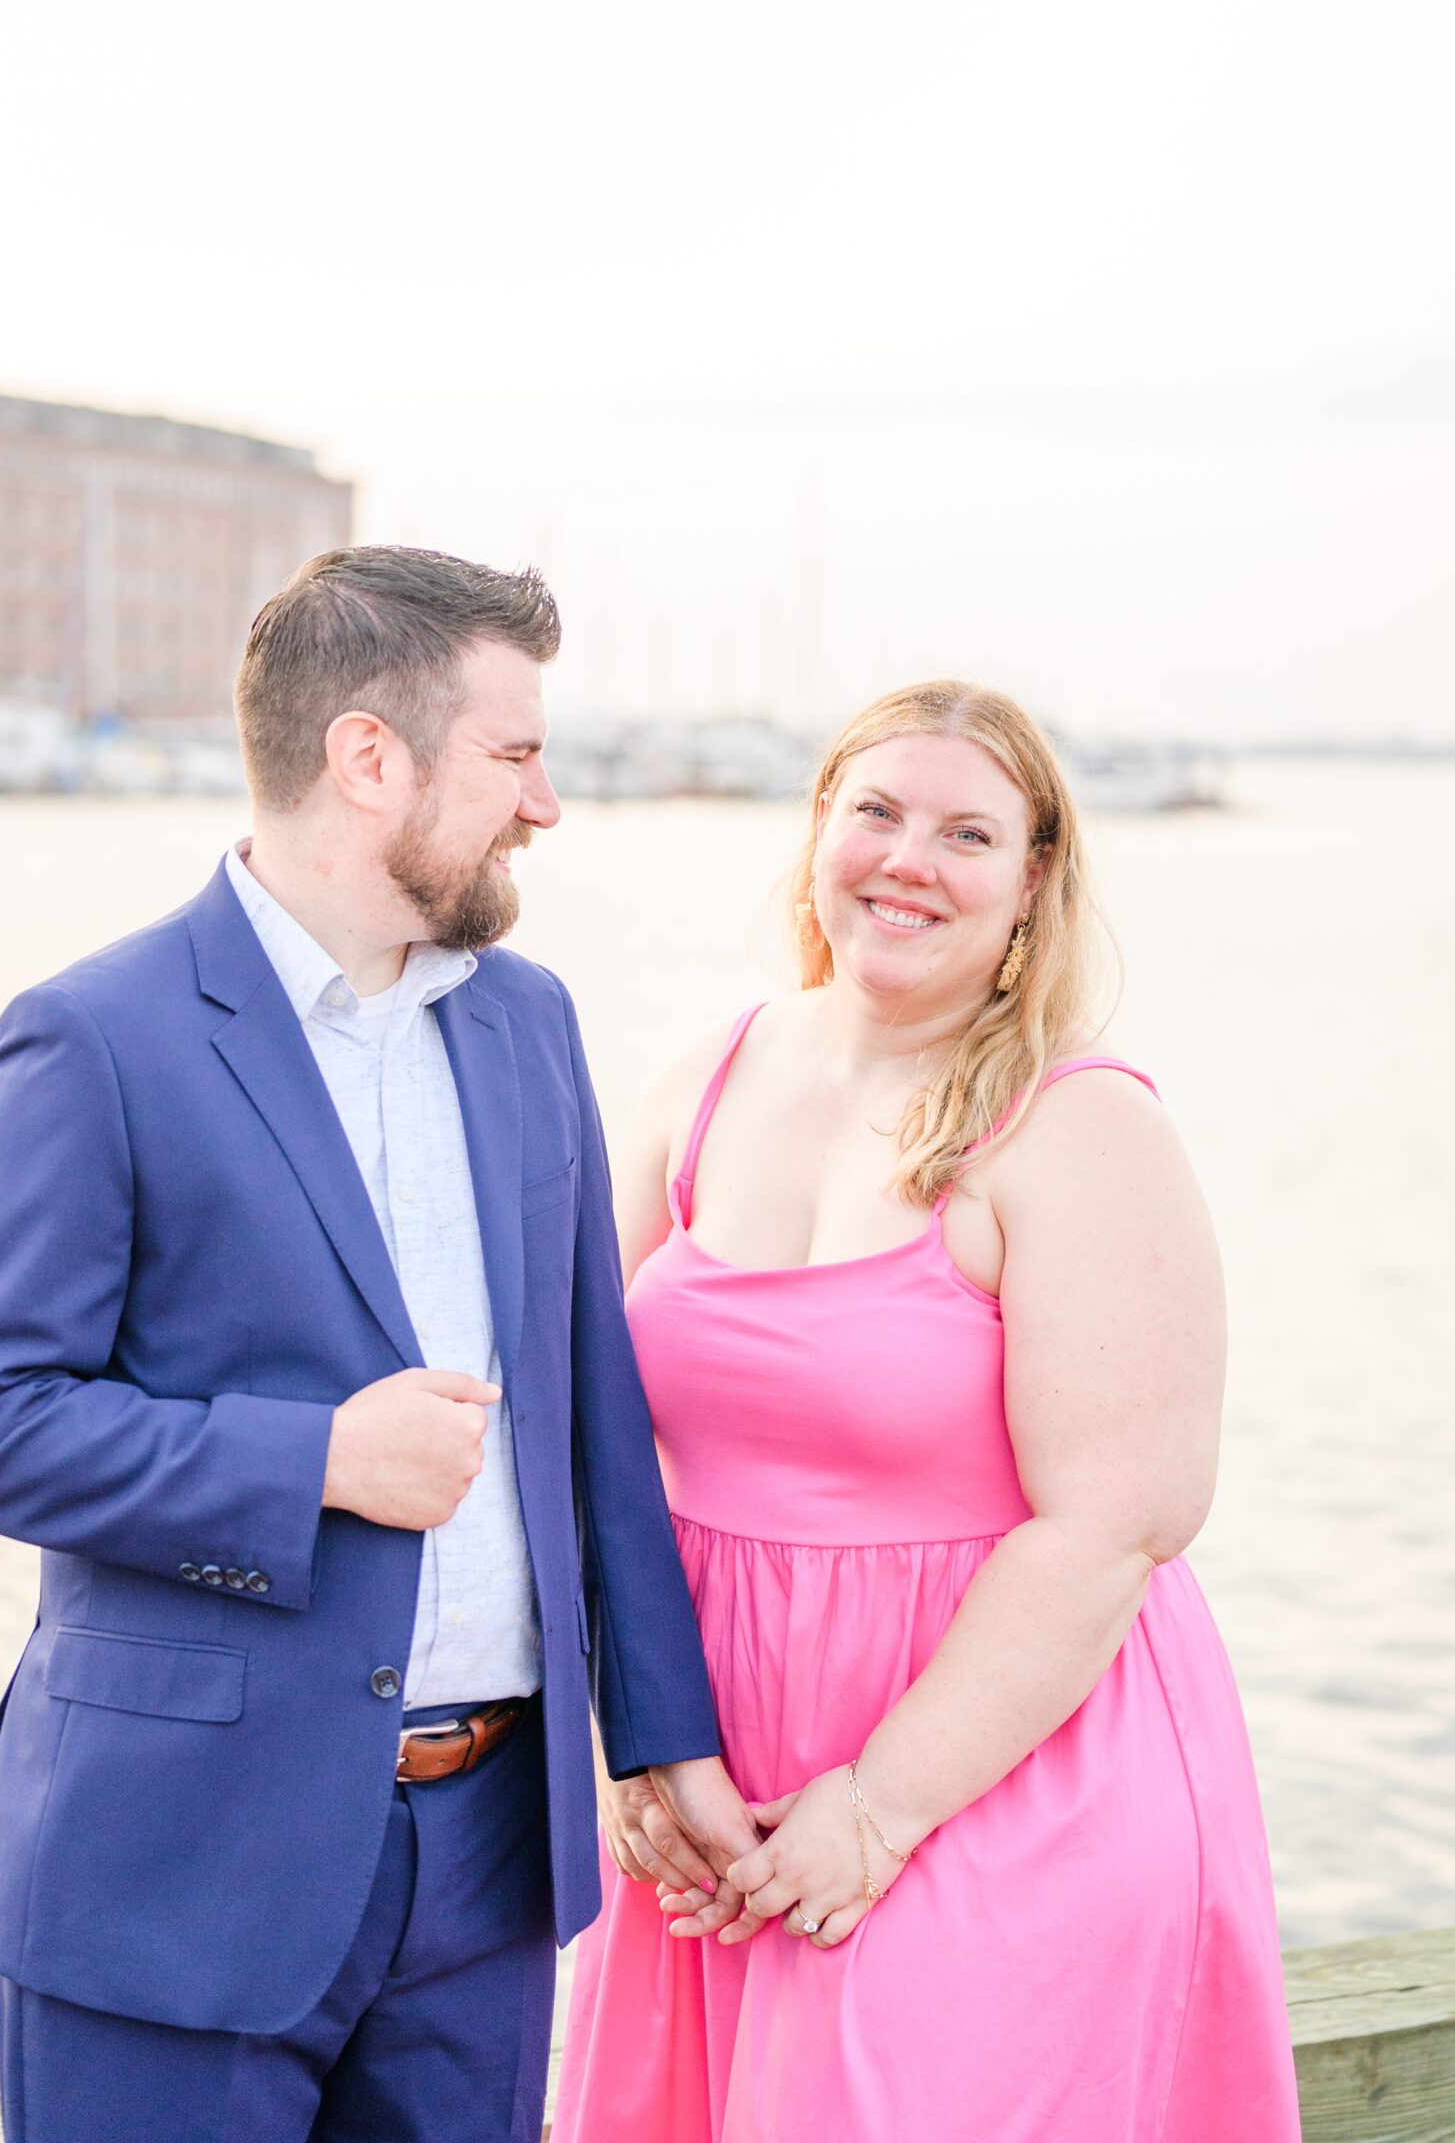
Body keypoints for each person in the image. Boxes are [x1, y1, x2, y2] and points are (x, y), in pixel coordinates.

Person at [0, 546, 736, 2143]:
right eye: (513, 756)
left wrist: (665, 1739)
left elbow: (589, 1419)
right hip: (172, 1874)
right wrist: (319, 1462)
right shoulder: (95, 1037)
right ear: (370, 757)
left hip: (489, 1860)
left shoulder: (528, 1022)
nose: (544, 805)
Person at [554, 679, 1303, 2143]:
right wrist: (637, 1749)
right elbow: (585, 1444)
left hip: (988, 1767)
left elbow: (1116, 1524)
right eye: (877, 811)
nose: (910, 859)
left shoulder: (1079, 1127)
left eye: (969, 833)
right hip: (713, 1779)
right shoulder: (700, 1083)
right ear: (819, 829)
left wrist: (883, 1809)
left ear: (1033, 884)